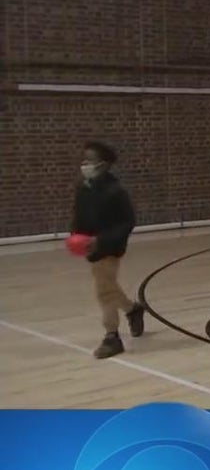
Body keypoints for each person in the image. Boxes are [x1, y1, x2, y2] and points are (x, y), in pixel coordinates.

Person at [70, 141, 146, 359]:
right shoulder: (83, 188)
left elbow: (127, 222)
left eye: (90, 161)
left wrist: (101, 241)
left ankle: (112, 336)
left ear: (103, 165)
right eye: (83, 160)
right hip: (89, 247)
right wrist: (75, 235)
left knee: (103, 291)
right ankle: (133, 309)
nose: (84, 164)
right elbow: (78, 215)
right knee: (108, 286)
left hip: (110, 247)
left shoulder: (116, 191)